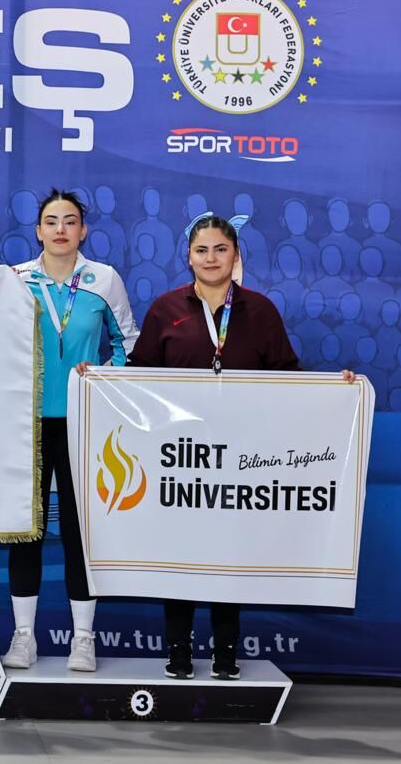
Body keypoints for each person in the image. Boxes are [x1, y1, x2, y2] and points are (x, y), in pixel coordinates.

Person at [129, 215, 354, 681]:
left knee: (228, 555)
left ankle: (226, 653)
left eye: (220, 249)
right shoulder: (165, 309)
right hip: (181, 459)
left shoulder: (260, 311)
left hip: (239, 459)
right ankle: (179, 651)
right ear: (188, 257)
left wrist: (338, 389)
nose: (211, 258)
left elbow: (288, 377)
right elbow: (137, 376)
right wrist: (94, 380)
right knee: (180, 554)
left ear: (236, 256)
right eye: (202, 250)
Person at [5, 189, 139, 673]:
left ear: (83, 231)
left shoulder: (104, 279)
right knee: (26, 531)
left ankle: (84, 638)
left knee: (81, 531)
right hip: (26, 423)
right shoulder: (15, 280)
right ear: (37, 231)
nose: (60, 229)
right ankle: (24, 636)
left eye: (69, 221)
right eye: (51, 221)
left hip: (86, 422)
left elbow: (129, 342)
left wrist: (102, 375)